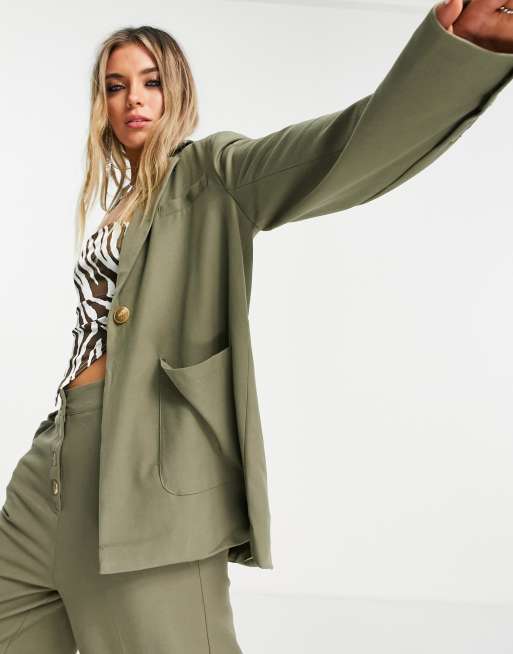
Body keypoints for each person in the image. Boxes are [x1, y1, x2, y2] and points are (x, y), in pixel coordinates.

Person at [1, 0, 513, 651]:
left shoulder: (208, 174)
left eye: (152, 81)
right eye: (115, 85)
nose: (134, 99)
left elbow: (333, 153)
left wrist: (459, 55)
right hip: (51, 467)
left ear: (178, 91)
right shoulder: (115, 204)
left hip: (142, 474)